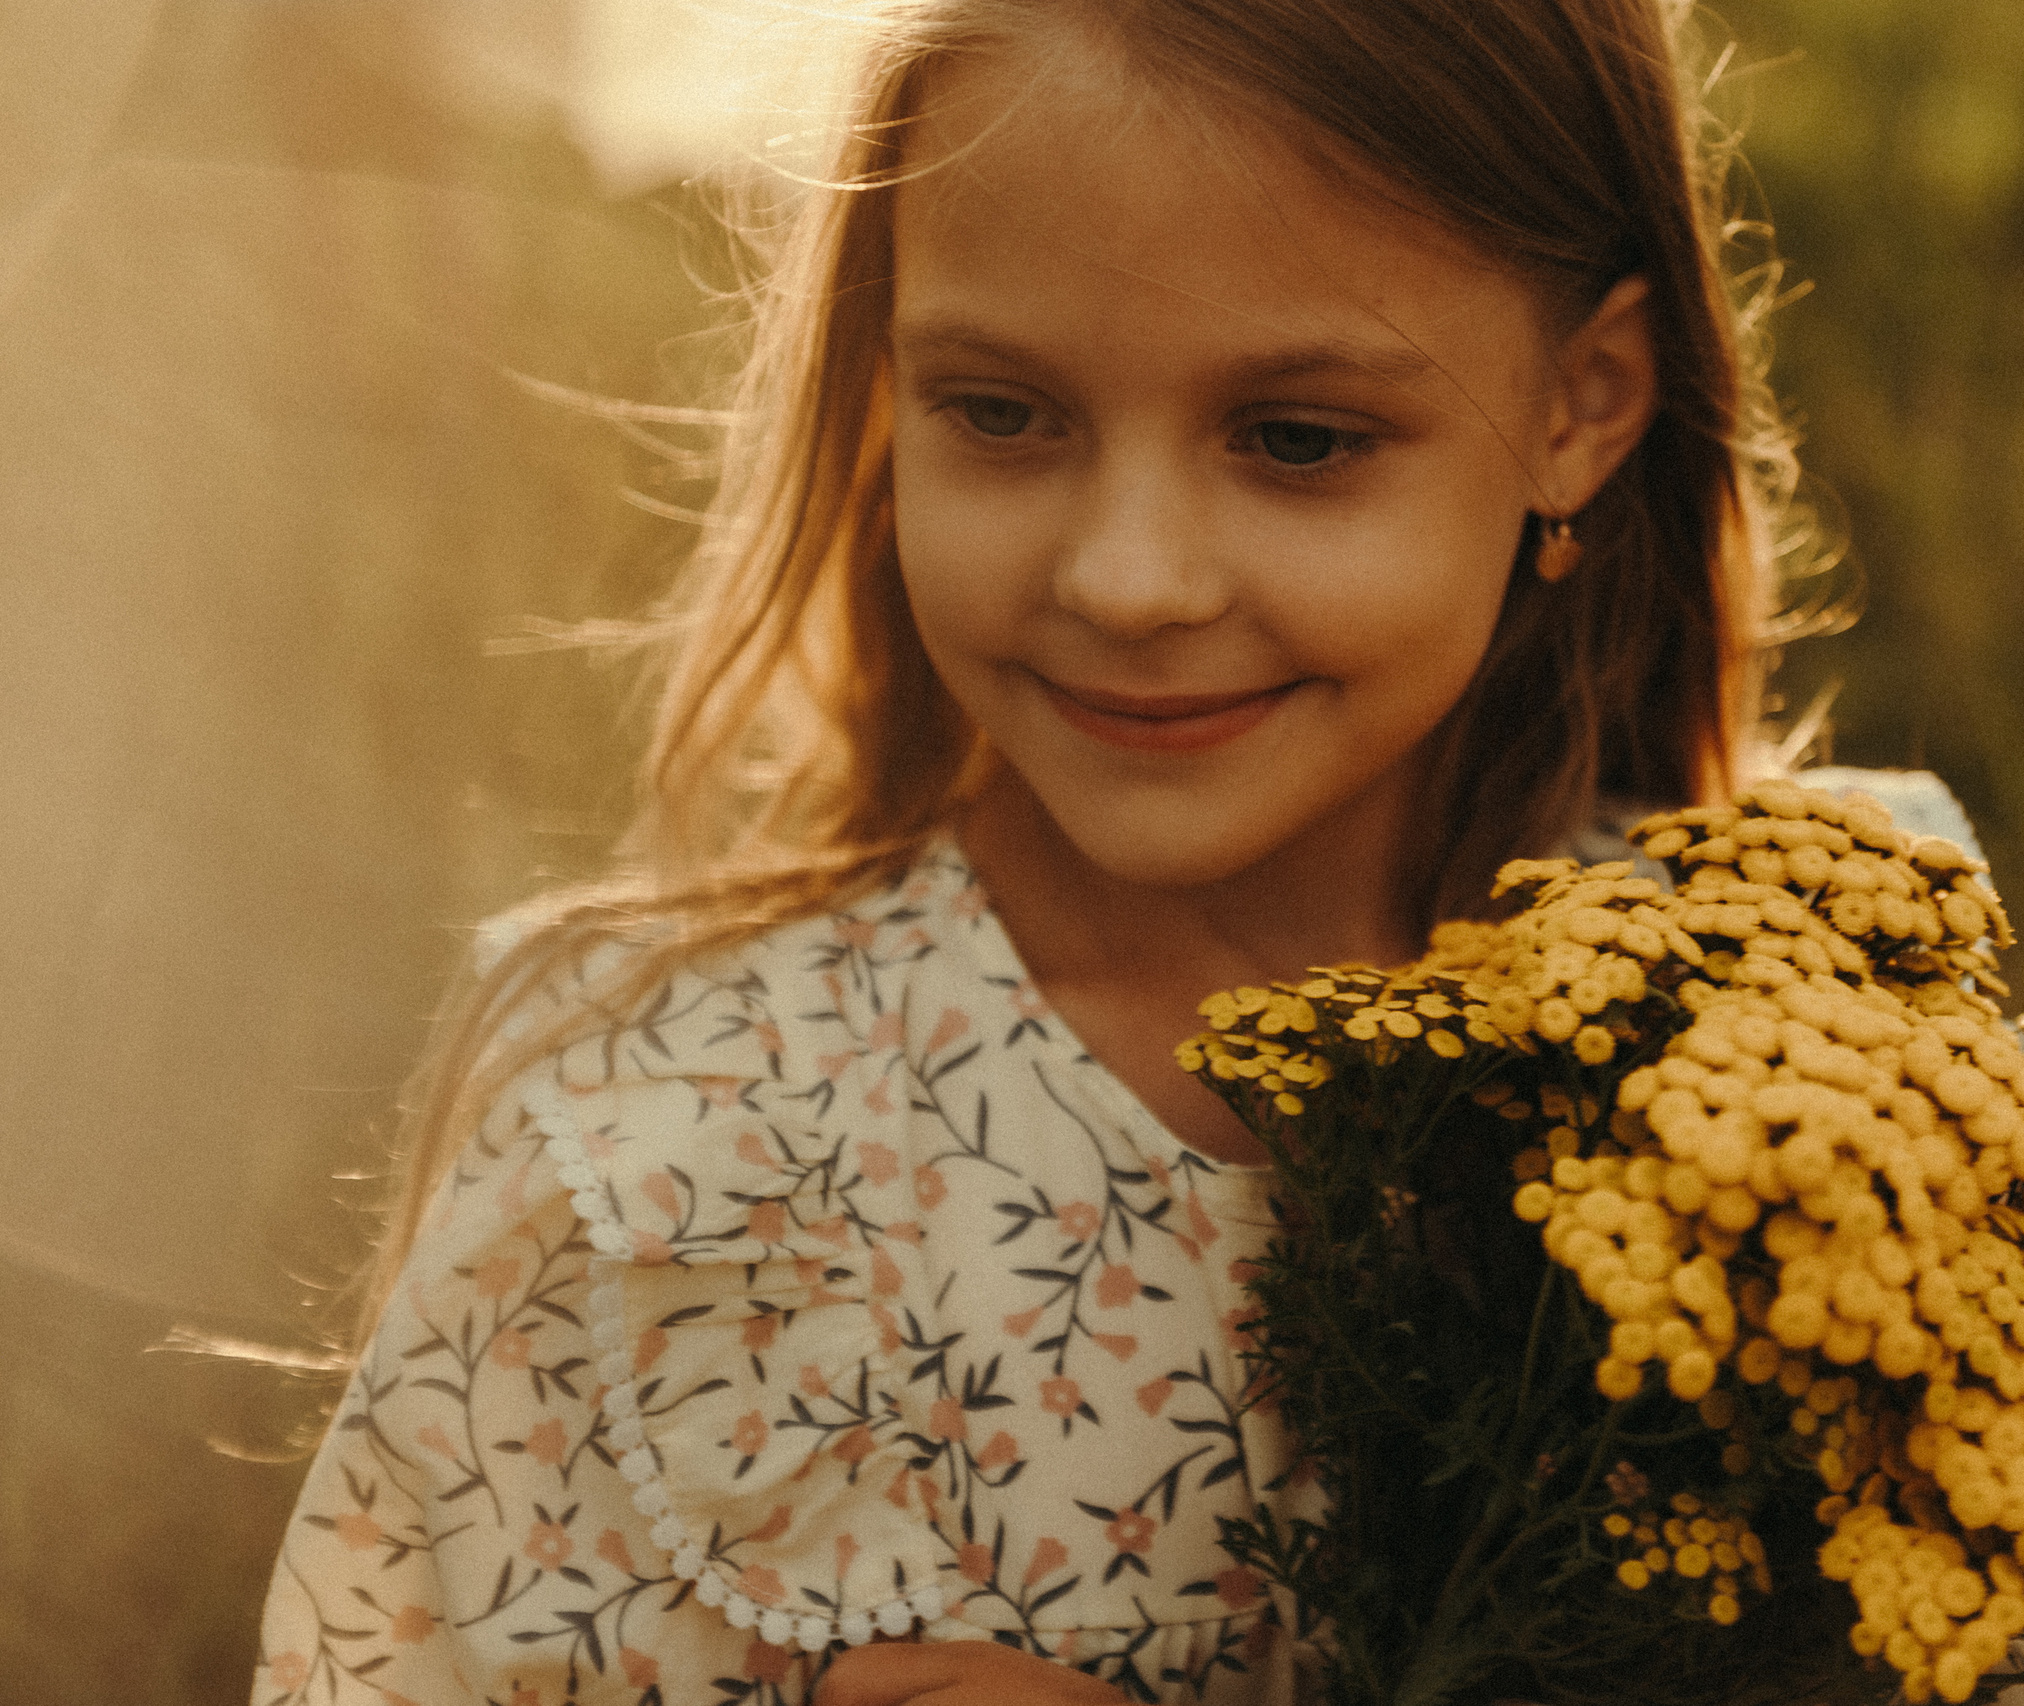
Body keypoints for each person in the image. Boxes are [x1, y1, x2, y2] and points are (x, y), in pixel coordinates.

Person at [253, 1, 1864, 1700]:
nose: (1127, 577)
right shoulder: (670, 1150)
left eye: (1297, 439)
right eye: (1004, 414)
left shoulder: (1814, 1076)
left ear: (1583, 401)